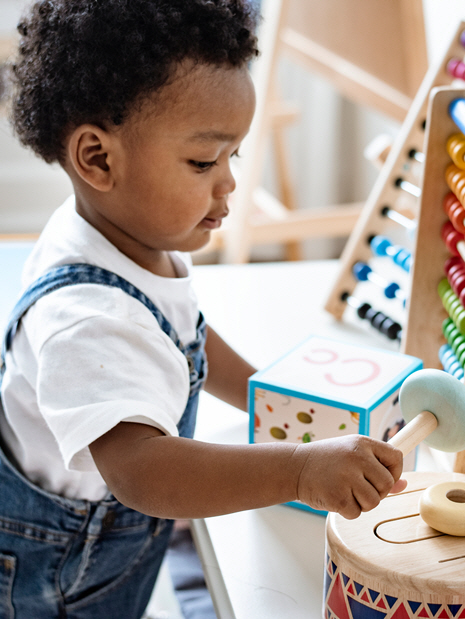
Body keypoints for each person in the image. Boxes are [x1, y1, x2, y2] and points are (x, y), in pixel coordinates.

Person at [0, 1, 407, 617]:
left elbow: (185, 336)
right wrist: (296, 470)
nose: (229, 185)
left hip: (107, 540)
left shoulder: (128, 237)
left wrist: (269, 396)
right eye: (203, 161)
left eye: (233, 157)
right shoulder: (86, 319)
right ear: (98, 159)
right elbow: (143, 472)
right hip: (55, 571)